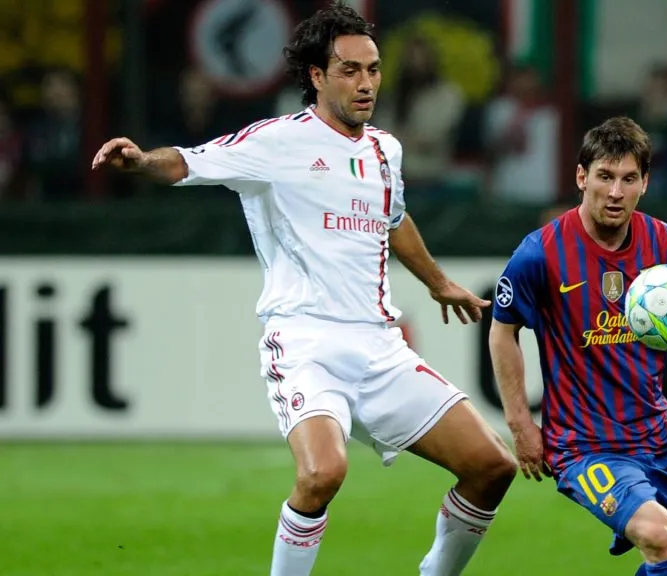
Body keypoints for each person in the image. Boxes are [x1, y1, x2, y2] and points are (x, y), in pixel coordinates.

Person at [91, 4, 517, 576]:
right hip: (306, 342)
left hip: (380, 347)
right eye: (349, 70)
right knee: (321, 474)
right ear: (316, 76)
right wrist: (142, 160)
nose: (365, 83)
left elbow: (394, 218)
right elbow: (186, 164)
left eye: (373, 69)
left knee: (493, 465)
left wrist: (439, 283)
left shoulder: (384, 150)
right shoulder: (276, 143)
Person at [488, 116, 667, 575]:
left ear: (645, 183)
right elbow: (503, 330)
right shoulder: (540, 253)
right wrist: (521, 424)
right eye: (604, 177)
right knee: (659, 537)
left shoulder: (665, 241)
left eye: (628, 179)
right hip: (584, 445)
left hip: (656, 437)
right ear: (582, 177)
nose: (615, 192)